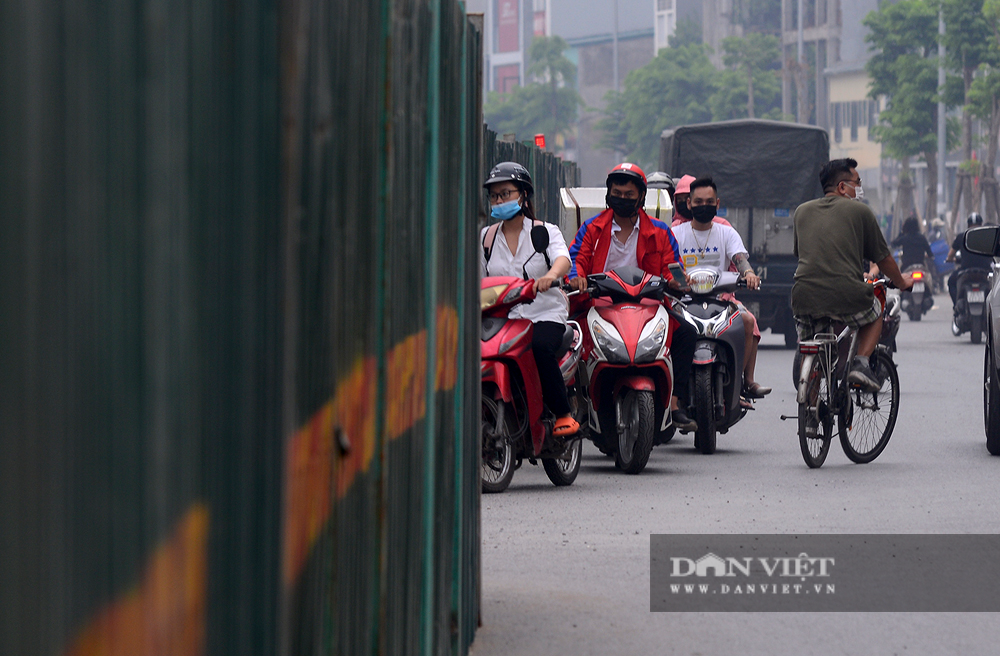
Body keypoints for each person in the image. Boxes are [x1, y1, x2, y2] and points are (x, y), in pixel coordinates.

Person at [567, 163, 698, 430]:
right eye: (617, 193)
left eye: (629, 195)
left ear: (641, 197)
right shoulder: (592, 229)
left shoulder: (660, 232)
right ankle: (574, 405)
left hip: (648, 306)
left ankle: (675, 403)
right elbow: (575, 259)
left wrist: (678, 282)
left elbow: (674, 268)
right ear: (609, 194)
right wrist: (575, 277)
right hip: (598, 305)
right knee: (568, 339)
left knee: (686, 332)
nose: (622, 199)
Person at [791, 158, 912, 392]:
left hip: (803, 296)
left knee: (813, 348)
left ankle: (811, 415)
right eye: (857, 182)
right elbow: (884, 258)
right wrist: (901, 281)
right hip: (846, 293)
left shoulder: (801, 212)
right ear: (842, 187)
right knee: (876, 308)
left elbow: (801, 253)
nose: (860, 188)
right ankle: (861, 363)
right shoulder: (860, 211)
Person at [480, 162, 578, 437]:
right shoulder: (486, 239)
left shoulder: (545, 231)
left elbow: (563, 260)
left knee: (539, 347)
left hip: (544, 313)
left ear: (523, 195)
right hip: (503, 319)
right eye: (494, 196)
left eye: (505, 193)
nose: (499, 201)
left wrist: (550, 276)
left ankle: (563, 413)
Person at [672, 177, 770, 398]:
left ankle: (739, 385)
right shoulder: (676, 233)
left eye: (709, 202)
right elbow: (667, 263)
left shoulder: (726, 232)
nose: (703, 206)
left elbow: (740, 257)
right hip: (682, 301)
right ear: (689, 204)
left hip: (722, 299)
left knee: (747, 320)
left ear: (717, 204)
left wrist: (749, 273)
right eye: (698, 202)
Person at [947, 212, 993, 306]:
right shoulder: (988, 236)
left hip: (966, 271)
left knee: (951, 282)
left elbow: (950, 255)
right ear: (981, 225)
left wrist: (951, 259)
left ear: (968, 225)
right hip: (986, 271)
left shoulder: (961, 236)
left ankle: (957, 306)